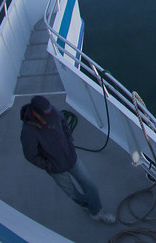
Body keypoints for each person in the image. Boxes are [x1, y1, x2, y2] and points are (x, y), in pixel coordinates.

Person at [20, 95, 116, 224]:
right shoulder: (28, 132)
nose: (50, 118)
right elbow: (31, 156)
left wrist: (69, 142)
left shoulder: (52, 112)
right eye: (46, 117)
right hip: (56, 169)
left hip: (72, 158)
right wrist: (50, 166)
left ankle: (96, 211)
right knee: (72, 193)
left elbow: (64, 124)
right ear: (36, 114)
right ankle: (86, 205)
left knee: (90, 186)